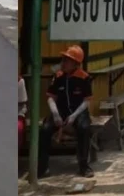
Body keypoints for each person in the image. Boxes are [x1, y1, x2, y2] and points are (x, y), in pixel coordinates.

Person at [38, 45, 94, 179]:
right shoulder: (58, 76)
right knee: (44, 130)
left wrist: (74, 116)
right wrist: (55, 114)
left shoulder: (84, 78)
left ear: (75, 63)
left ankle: (83, 166)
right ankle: (42, 167)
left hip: (78, 112)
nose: (62, 63)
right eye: (63, 59)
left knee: (84, 128)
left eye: (66, 60)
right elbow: (51, 97)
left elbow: (87, 101)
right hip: (60, 111)